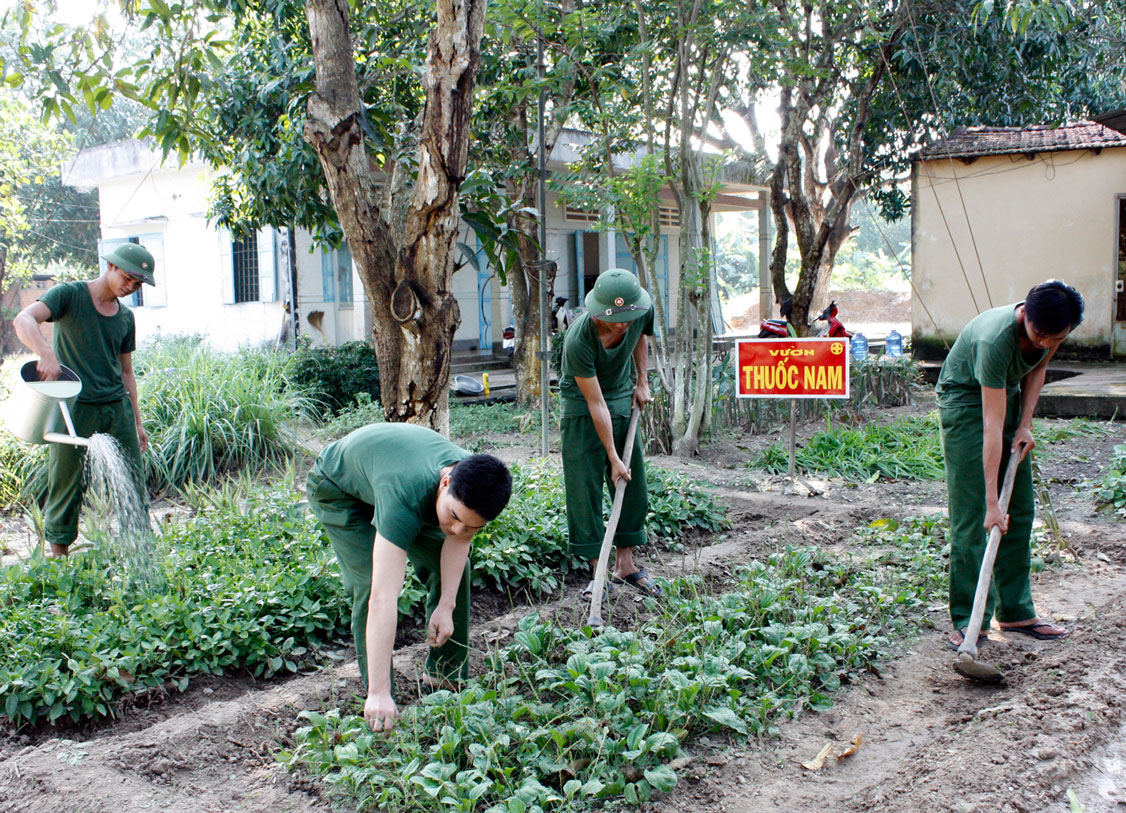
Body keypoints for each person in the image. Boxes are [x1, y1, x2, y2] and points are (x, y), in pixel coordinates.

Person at [305, 423, 512, 733]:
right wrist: (380, 693)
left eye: (472, 527)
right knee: (371, 582)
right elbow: (382, 598)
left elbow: (458, 540)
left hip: (388, 478)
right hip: (338, 487)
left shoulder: (476, 484)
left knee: (455, 569)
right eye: (454, 517)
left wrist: (446, 605)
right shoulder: (405, 494)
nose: (458, 530)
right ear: (445, 483)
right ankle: (377, 698)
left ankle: (446, 673)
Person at [937, 280, 1085, 651]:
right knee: (974, 516)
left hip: (1010, 393)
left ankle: (1017, 612)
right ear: (1026, 316)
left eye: (1055, 338)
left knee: (1019, 509)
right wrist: (990, 501)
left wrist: (1024, 425)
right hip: (968, 401)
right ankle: (969, 621)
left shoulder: (1055, 326)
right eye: (1039, 334)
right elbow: (990, 424)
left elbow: (1036, 371)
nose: (1045, 343)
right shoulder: (994, 340)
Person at [12, 243, 155, 557]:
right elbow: (23, 320)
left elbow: (127, 371)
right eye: (128, 278)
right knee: (66, 481)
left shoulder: (125, 317)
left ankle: (141, 551)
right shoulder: (69, 295)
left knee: (133, 481)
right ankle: (59, 560)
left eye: (138, 284)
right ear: (111, 267)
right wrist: (46, 353)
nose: (130, 286)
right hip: (73, 407)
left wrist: (137, 421)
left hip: (116, 407)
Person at [559, 268, 661, 600]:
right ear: (596, 310)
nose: (622, 324)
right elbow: (595, 402)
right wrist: (613, 457)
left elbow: (641, 337)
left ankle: (625, 566)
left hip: (620, 398)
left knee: (632, 483)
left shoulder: (641, 311)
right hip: (583, 407)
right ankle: (598, 571)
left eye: (627, 316)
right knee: (583, 487)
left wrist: (642, 380)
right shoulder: (578, 339)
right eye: (613, 318)